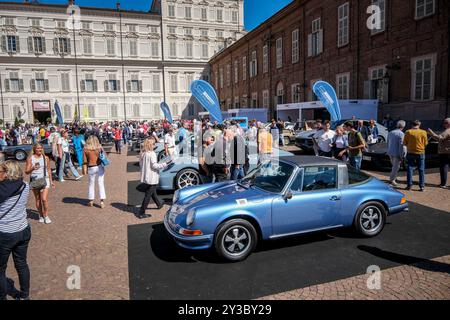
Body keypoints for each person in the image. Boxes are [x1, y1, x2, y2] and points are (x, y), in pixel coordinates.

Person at [0, 160, 31, 300]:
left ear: (7, 173)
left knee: (1, 270)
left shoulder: (2, 191)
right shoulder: (25, 185)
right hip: (23, 230)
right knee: (22, 264)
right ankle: (25, 296)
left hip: (5, 232)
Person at [138, 138, 171, 219]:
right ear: (150, 145)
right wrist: (165, 164)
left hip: (147, 175)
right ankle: (141, 212)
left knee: (152, 191)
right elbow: (155, 166)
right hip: (152, 176)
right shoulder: (152, 153)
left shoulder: (143, 153)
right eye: (153, 144)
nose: (154, 145)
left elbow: (141, 164)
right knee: (148, 194)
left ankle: (159, 204)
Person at [25, 143, 55, 224]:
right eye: (37, 148)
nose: (39, 150)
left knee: (44, 199)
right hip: (34, 181)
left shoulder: (46, 158)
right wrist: (32, 168)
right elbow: (26, 172)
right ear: (34, 149)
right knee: (38, 199)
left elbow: (49, 170)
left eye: (40, 148)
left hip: (45, 180)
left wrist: (51, 181)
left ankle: (46, 215)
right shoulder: (30, 158)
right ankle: (41, 215)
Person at [82, 136, 107, 208]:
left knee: (91, 184)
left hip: (91, 167)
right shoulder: (99, 148)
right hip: (99, 166)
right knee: (101, 183)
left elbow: (84, 160)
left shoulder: (86, 149)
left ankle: (91, 200)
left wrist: (84, 168)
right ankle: (102, 202)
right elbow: (104, 156)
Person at [403, 120, 428, 191]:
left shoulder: (408, 132)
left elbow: (405, 143)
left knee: (410, 168)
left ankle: (409, 186)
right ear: (419, 125)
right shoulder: (423, 132)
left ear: (412, 125)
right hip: (420, 152)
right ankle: (422, 186)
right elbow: (426, 143)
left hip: (410, 152)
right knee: (421, 169)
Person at [428, 118, 450, 189]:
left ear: (448, 124)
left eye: (445, 123)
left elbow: (439, 138)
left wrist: (431, 133)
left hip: (445, 152)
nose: (444, 124)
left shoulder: (447, 131)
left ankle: (443, 184)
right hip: (447, 151)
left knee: (444, 167)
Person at [387, 120, 406, 186]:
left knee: (394, 166)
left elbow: (388, 142)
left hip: (390, 151)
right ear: (403, 126)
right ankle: (392, 180)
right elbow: (401, 145)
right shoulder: (401, 134)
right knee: (396, 167)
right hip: (397, 153)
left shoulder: (391, 132)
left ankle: (394, 178)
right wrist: (403, 154)